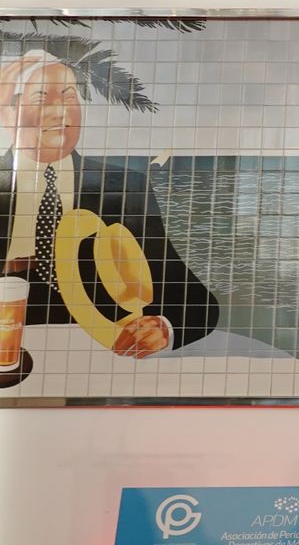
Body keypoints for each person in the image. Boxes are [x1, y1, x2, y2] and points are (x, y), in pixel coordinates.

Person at [0, 49, 217, 355]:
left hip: (107, 355)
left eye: (69, 96)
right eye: (41, 98)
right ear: (9, 113)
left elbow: (194, 300)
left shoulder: (124, 187)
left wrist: (164, 328)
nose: (61, 112)